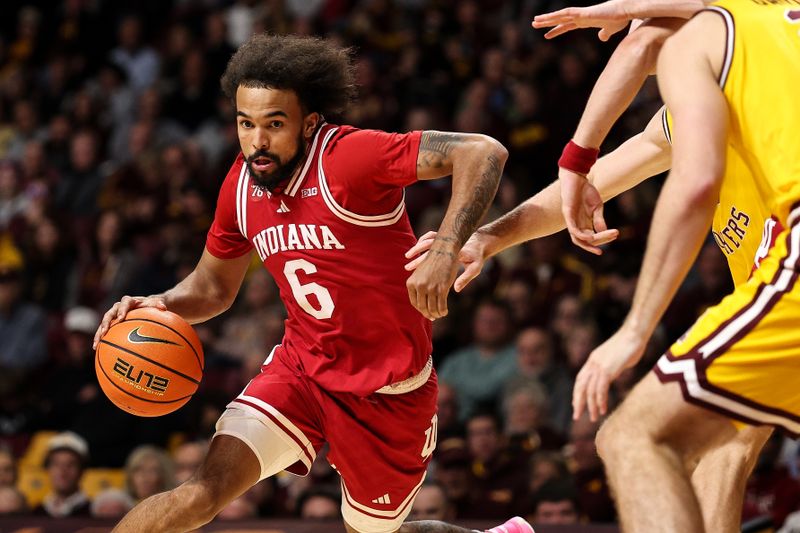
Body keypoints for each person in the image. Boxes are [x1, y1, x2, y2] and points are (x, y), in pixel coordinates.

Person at [94, 34, 531, 533]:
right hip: (300, 371)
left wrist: (446, 247)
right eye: (245, 124)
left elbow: (482, 151)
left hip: (389, 393)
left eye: (274, 124)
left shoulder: (350, 158)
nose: (257, 141)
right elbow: (213, 290)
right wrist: (158, 304)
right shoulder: (239, 184)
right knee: (201, 492)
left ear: (308, 123)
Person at [567, 2, 800, 531]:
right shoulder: (762, 48)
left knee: (631, 437)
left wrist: (634, 331)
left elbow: (691, 185)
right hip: (772, 295)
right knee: (725, 441)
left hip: (789, 270)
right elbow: (585, 190)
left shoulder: (705, 46)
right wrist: (486, 238)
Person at [32, 432, 91, 518]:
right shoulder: (37, 512)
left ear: (82, 471)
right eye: (56, 464)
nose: (62, 471)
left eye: (70, 465)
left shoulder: (93, 512)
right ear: (48, 469)